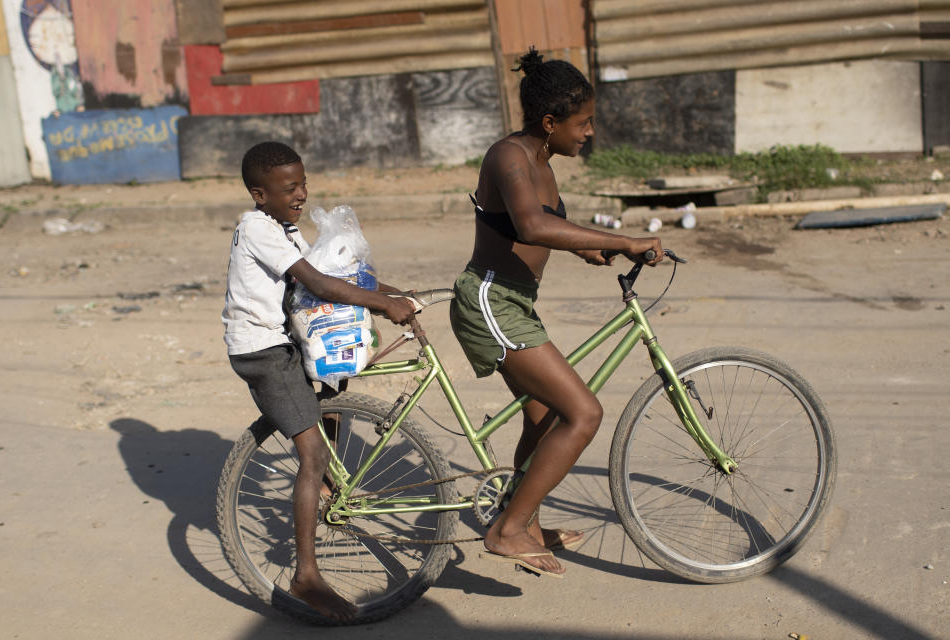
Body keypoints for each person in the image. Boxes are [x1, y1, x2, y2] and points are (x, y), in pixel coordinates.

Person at [449, 48, 663, 577]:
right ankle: (507, 530)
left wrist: (593, 247)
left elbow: (550, 227)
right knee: (584, 413)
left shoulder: (543, 160)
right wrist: (623, 238)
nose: (589, 132)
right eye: (582, 122)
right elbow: (530, 226)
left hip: (517, 301)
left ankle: (525, 520)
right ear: (550, 122)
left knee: (544, 419)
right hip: (490, 300)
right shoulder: (510, 156)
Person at [222, 141, 414, 620]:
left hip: (284, 340)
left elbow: (334, 274)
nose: (302, 194)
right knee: (312, 451)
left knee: (336, 374)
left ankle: (327, 483)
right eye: (290, 188)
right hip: (262, 350)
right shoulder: (256, 227)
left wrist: (395, 292)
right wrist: (383, 306)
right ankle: (306, 577)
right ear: (258, 193)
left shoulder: (286, 232)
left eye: (304, 183)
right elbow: (320, 284)